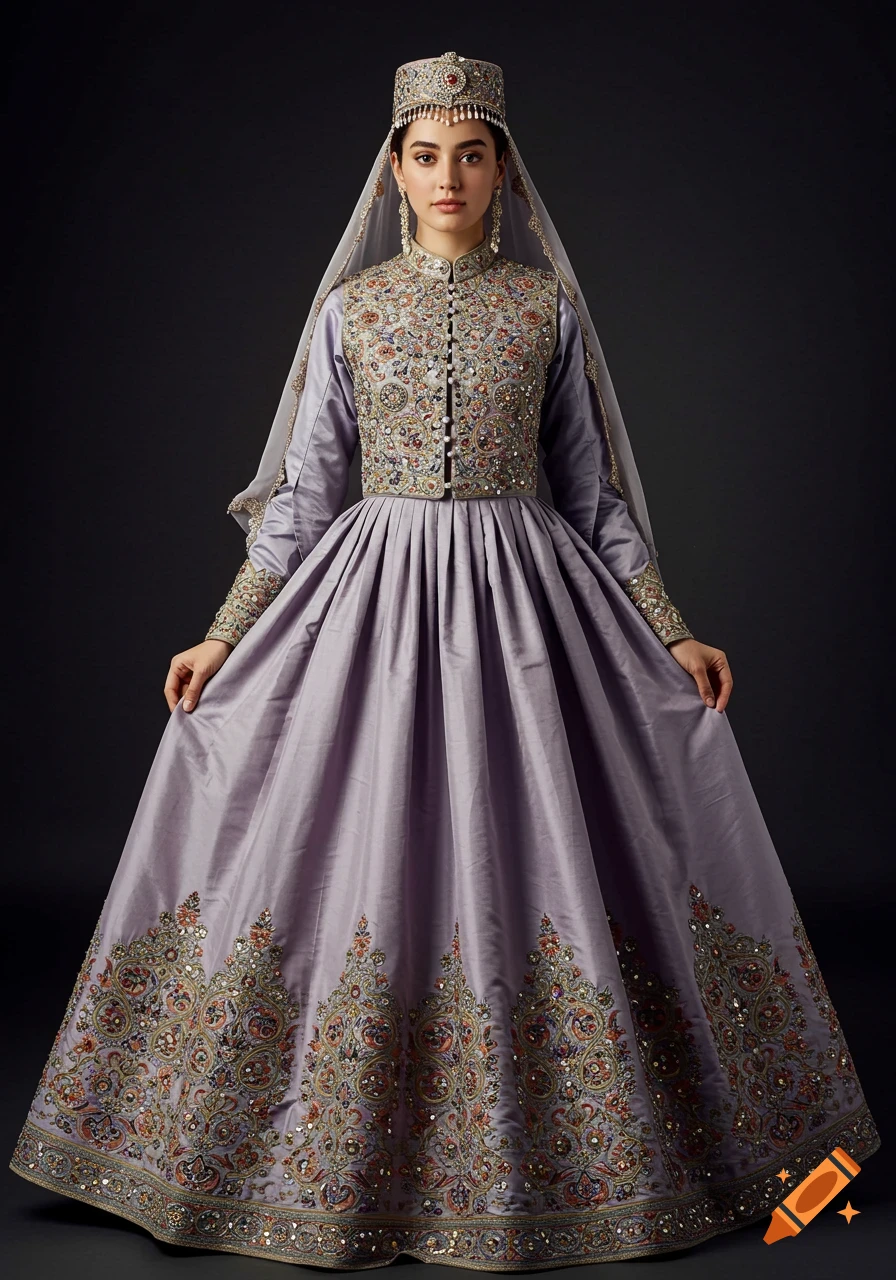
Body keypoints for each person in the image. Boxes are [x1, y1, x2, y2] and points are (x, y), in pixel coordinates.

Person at [11, 51, 879, 1271]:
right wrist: (221, 629)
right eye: (426, 155)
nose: (449, 176)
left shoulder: (545, 308)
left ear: (502, 169)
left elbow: (590, 490)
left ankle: (581, 1151)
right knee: (358, 849)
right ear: (393, 170)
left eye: (471, 154)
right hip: (365, 607)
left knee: (535, 848)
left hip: (529, 618)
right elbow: (304, 494)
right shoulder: (351, 312)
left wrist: (670, 622)